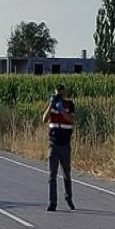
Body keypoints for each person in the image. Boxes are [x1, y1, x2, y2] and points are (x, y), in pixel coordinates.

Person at [41, 82, 75, 211]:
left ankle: (68, 197)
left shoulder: (69, 104)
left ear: (64, 93)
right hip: (53, 144)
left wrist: (62, 110)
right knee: (52, 175)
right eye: (57, 93)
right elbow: (44, 119)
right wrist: (51, 104)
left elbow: (72, 120)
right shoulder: (52, 105)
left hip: (65, 145)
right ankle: (52, 202)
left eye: (61, 92)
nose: (59, 95)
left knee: (66, 173)